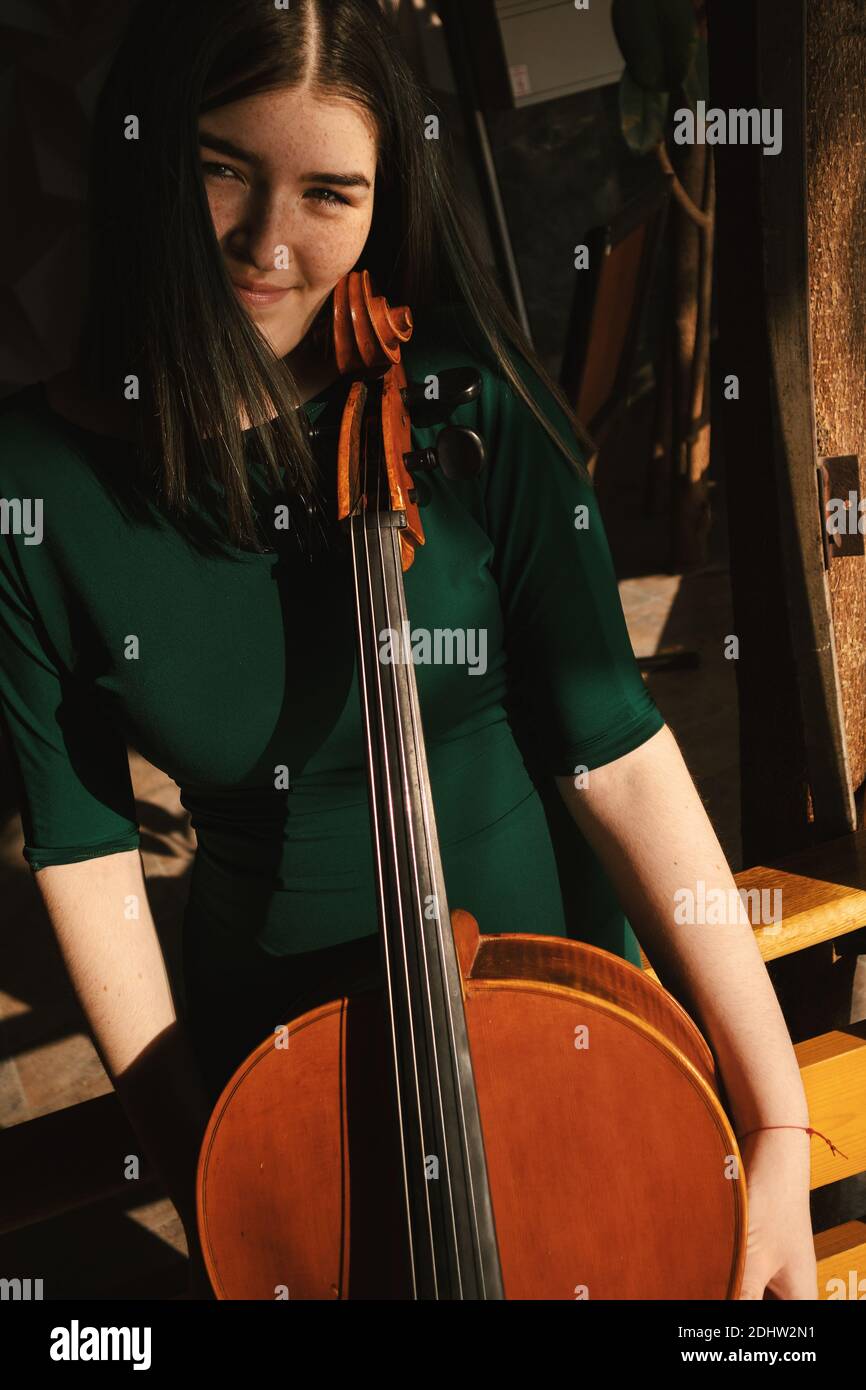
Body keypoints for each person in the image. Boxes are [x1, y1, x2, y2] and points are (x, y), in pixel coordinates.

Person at [0, 0, 815, 1301]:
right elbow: (86, 847)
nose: (270, 243)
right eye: (222, 169)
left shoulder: (467, 402)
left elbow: (616, 751)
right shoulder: (33, 483)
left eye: (331, 191)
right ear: (145, 153)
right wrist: (206, 1169)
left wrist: (771, 1116)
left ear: (389, 195)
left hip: (553, 1010)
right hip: (267, 1042)